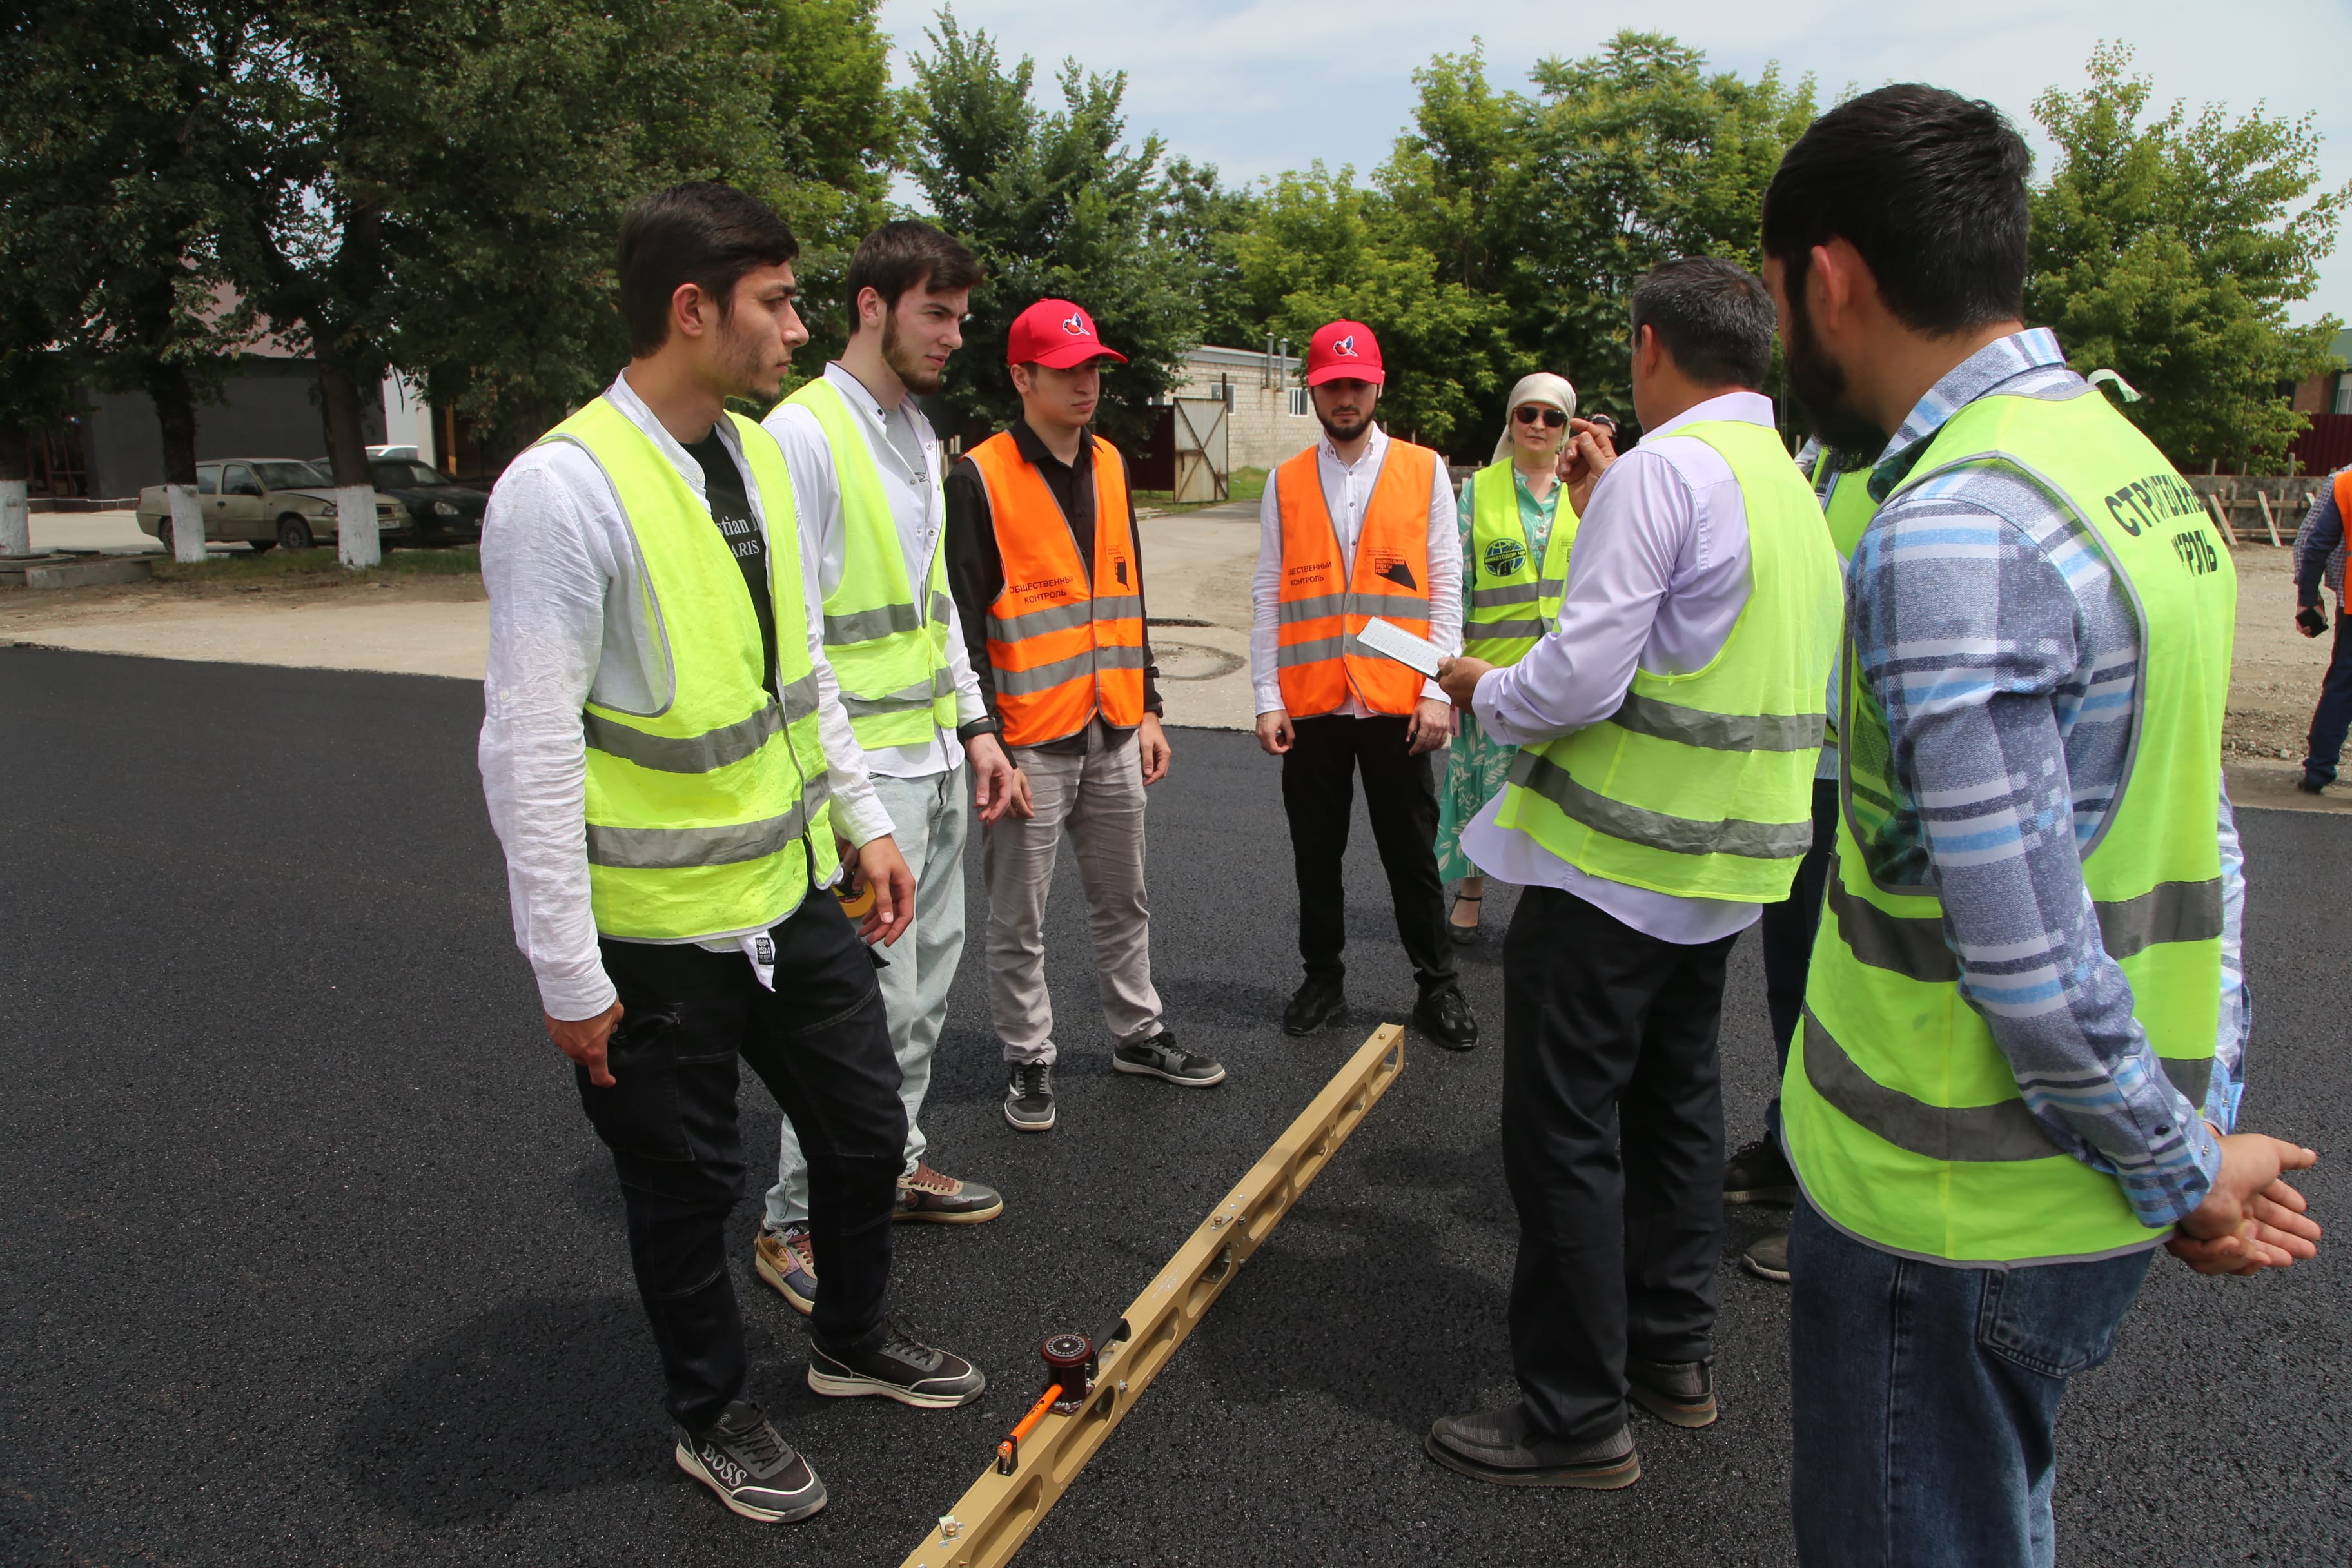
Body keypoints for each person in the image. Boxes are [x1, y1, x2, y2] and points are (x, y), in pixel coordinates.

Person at [1759, 85, 2321, 1564]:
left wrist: (2183, 1168)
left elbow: (2027, 963)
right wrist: (2187, 1134)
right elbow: (2202, 845)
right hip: (2068, 1182)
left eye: (1779, 300)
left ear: (1830, 279)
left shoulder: (1957, 522)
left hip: (1942, 1209)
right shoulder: (2132, 478)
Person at [478, 184, 986, 1528]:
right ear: (691, 310)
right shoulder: (562, 491)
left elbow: (799, 670)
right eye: (776, 302)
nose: (797, 327)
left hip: (787, 890)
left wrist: (863, 822)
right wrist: (567, 970)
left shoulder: (758, 456)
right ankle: (711, 1414)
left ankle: (850, 1339)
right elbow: (528, 750)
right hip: (656, 936)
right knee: (686, 1187)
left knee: (866, 1134)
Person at [1426, 257, 1843, 1488]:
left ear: (1651, 346)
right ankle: (1671, 1355)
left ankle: (1571, 1412)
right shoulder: (1791, 484)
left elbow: (1574, 679)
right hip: (1725, 867)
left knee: (1563, 1133)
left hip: (1611, 862)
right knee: (1675, 1109)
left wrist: (1481, 687)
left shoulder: (1663, 471)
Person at [750, 221, 1018, 1317]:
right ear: (871, 306)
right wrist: (852, 805)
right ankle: (792, 1220)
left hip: (934, 760)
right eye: (935, 314)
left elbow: (934, 599)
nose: (954, 336)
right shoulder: (801, 436)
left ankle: (889, 1165)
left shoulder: (916, 430)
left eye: (961, 317)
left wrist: (976, 725)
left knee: (923, 994)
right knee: (856, 1009)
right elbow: (799, 639)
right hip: (862, 779)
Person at [946, 297, 1224, 1133]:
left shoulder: (1108, 463)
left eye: (1094, 368)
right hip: (1027, 742)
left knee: (1123, 898)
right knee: (1019, 917)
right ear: (1022, 376)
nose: (1086, 383)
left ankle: (1138, 1034)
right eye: (1067, 370)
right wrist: (984, 736)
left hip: (1112, 726)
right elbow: (962, 625)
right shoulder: (980, 477)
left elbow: (1125, 592)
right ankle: (1029, 1055)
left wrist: (1150, 706)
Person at [1251, 319, 1477, 1049]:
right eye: (1330, 385)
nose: (1344, 396)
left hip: (1396, 700)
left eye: (1356, 383)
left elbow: (1445, 585)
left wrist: (1438, 689)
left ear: (1377, 386)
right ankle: (1322, 979)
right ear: (1313, 390)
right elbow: (1268, 592)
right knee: (1315, 853)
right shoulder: (1286, 480)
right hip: (1313, 700)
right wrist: (1266, 696)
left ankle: (1437, 986)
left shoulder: (1423, 468)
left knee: (1411, 853)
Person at [1722, 441, 1878, 1284]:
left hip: (1863, 777)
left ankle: (1837, 1203)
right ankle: (1795, 1148)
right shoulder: (1821, 455)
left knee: (1847, 988)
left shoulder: (1909, 458)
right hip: (1798, 763)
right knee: (1793, 978)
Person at [1438, 372, 1587, 944]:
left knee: (1555, 791)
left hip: (1562, 674)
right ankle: (1471, 891)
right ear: (1511, 420)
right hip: (1490, 673)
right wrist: (1447, 672)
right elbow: (1456, 585)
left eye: (1553, 417)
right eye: (1528, 413)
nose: (1539, 426)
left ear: (1567, 428)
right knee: (1482, 788)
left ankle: (1549, 902)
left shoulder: (1589, 491)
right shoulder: (1480, 490)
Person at [2291, 464, 2351, 793]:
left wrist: (2308, 597)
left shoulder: (2346, 481)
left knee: (2344, 685)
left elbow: (2313, 544)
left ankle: (2319, 770)